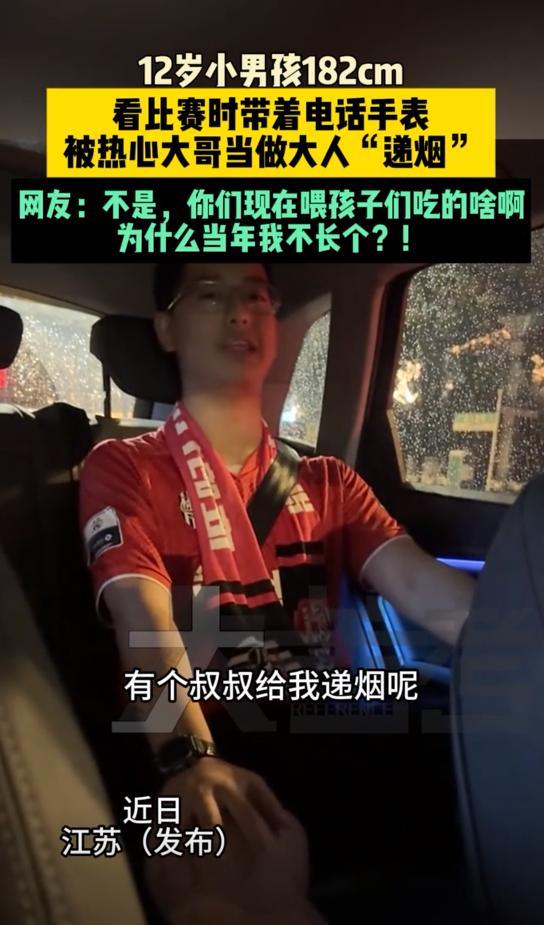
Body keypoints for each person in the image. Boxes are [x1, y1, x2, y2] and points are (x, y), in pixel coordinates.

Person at [79, 262, 475, 921]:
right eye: (210, 294)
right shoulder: (124, 466)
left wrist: (520, 645)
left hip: (319, 718)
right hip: (199, 731)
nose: (239, 310)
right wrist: (189, 759)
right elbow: (140, 617)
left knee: (474, 750)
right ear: (167, 329)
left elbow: (425, 588)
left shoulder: (328, 481)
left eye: (256, 296)